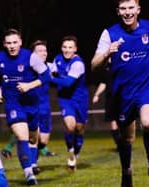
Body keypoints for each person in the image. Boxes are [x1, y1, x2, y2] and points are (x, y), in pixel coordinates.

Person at [91, 0, 149, 186]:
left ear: (138, 9)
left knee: (148, 121)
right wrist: (106, 54)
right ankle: (127, 172)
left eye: (130, 8)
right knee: (127, 138)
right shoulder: (109, 34)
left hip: (147, 85)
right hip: (122, 93)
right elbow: (94, 64)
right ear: (118, 11)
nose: (127, 12)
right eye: (123, 9)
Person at [0, 28, 51, 185]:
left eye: (15, 42)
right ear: (4, 44)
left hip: (31, 103)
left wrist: (30, 85)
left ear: (21, 42)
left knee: (33, 137)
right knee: (21, 136)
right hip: (13, 104)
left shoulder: (31, 58)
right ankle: (29, 174)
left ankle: (32, 163)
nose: (12, 46)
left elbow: (45, 75)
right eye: (8, 43)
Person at [0, 40, 56, 162]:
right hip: (30, 105)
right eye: (39, 51)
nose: (43, 53)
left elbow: (63, 72)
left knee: (43, 140)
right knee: (26, 132)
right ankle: (31, 165)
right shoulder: (27, 68)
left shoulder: (50, 67)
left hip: (45, 107)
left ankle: (39, 150)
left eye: (44, 50)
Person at [49, 35, 88, 171]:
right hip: (65, 99)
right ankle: (71, 150)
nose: (67, 50)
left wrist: (49, 78)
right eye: (65, 47)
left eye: (70, 47)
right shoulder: (57, 59)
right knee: (70, 126)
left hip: (80, 100)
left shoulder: (78, 64)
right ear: (61, 48)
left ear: (75, 49)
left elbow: (67, 82)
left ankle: (76, 152)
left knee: (79, 129)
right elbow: (51, 70)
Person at [92, 63, 120, 151]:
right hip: (110, 98)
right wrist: (97, 94)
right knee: (113, 122)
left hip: (123, 96)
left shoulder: (122, 62)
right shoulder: (106, 67)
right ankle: (119, 145)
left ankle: (126, 142)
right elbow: (104, 82)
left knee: (124, 122)